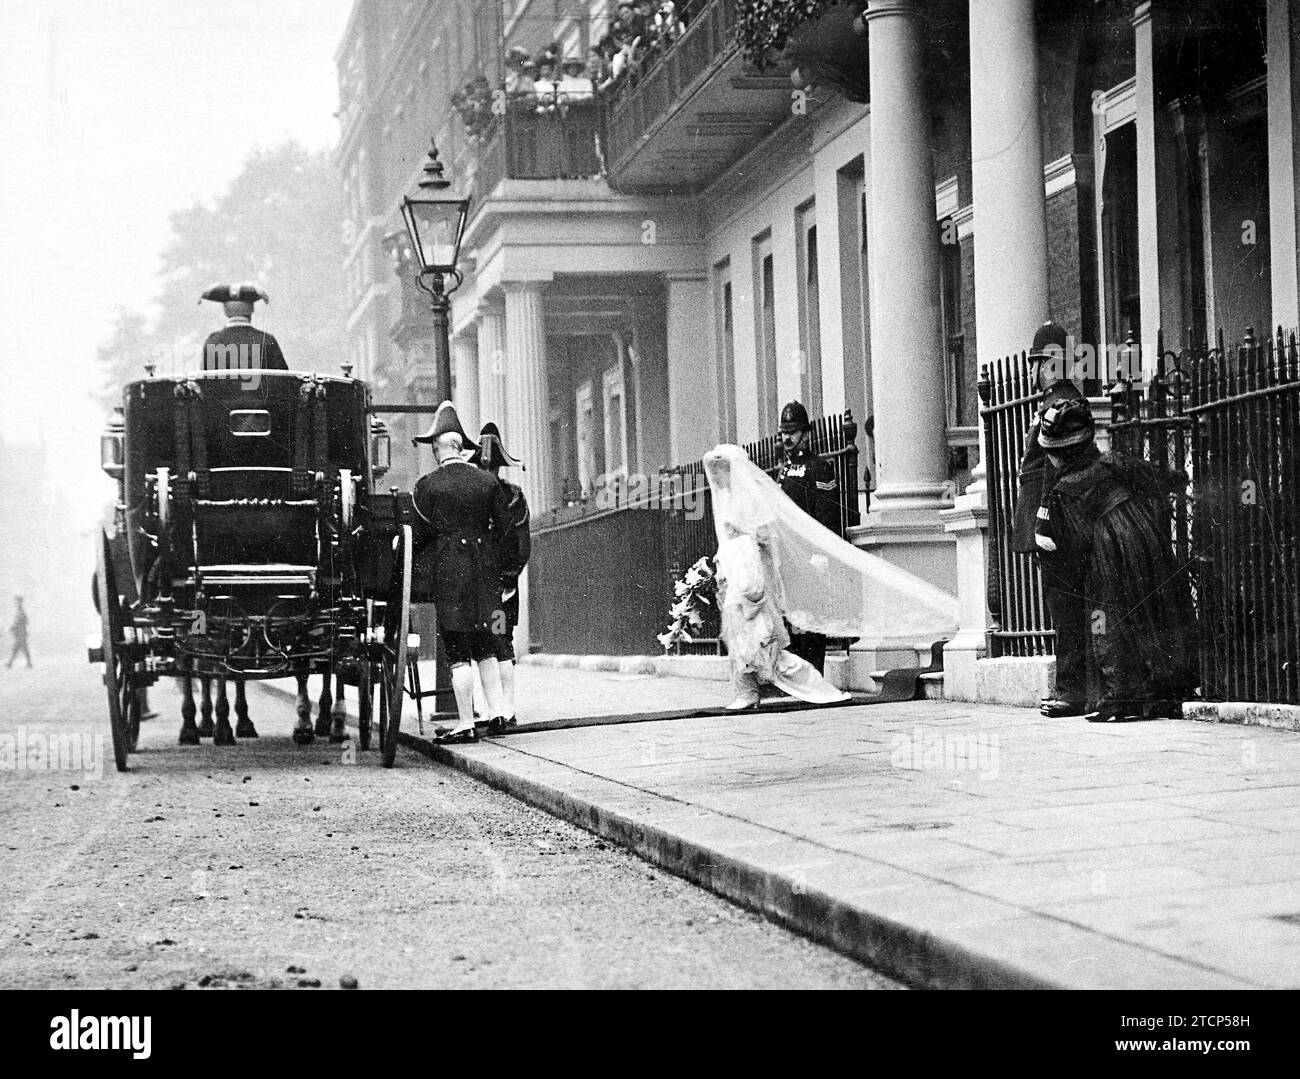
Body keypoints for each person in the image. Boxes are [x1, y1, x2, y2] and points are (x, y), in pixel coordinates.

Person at [703, 445, 958, 710]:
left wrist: (750, 557)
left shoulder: (748, 498)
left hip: (750, 576)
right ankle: (747, 692)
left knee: (763, 646)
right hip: (736, 575)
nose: (715, 478)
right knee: (740, 639)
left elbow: (766, 538)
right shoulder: (728, 498)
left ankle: (818, 688)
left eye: (717, 471)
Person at [1032, 398, 1198, 722]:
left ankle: (1121, 697)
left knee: (1104, 618)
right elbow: (1160, 479)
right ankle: (1168, 687)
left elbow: (1073, 548)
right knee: (1158, 608)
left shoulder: (1064, 491)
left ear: (1058, 454)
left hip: (1106, 555)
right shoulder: (1114, 463)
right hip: (1145, 539)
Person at [411, 402, 513, 743]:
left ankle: (466, 723)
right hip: (485, 570)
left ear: (440, 448)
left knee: (458, 649)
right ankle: (498, 715)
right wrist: (504, 569)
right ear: (460, 447)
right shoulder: (487, 482)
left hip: (450, 570)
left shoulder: (427, 486)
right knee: (486, 641)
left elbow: (419, 536)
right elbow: (507, 530)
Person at [1011, 321, 1088, 718]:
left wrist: (1043, 523)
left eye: (1036, 363)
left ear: (1050, 365)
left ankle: (1073, 690)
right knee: (1064, 606)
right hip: (1053, 522)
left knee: (1067, 608)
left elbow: (1054, 474)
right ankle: (1075, 687)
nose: (1031, 372)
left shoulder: (1062, 405)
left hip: (1056, 524)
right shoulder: (1053, 403)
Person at [468, 422, 531, 732]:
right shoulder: (506, 496)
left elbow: (521, 545)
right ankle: (493, 707)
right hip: (488, 585)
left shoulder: (512, 497)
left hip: (498, 587)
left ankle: (506, 707)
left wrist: (509, 576)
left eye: (490, 466)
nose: (488, 470)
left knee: (500, 641)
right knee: (485, 643)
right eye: (485, 465)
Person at [775, 400, 840, 674]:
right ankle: (802, 680)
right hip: (789, 556)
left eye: (793, 431)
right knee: (794, 620)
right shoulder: (784, 470)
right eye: (784, 432)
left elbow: (827, 514)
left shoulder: (819, 468)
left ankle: (815, 676)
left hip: (811, 555)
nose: (787, 437)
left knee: (812, 620)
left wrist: (820, 554)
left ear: (806, 433)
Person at [199, 283, 288, 373]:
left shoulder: (212, 341)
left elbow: (204, 381)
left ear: (226, 311)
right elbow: (284, 381)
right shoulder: (267, 340)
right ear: (251, 310)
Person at [7, 596, 31, 669]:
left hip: (21, 633)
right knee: (20, 648)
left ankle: (10, 663)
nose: (16, 603)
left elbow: (21, 621)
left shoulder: (21, 611)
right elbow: (22, 621)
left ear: (20, 602)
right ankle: (11, 663)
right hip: (20, 633)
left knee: (18, 648)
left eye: (17, 602)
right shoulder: (20, 611)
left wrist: (14, 627)